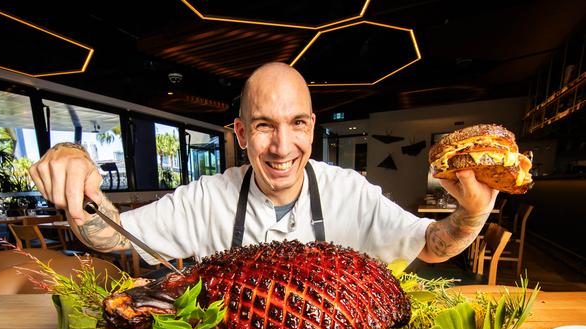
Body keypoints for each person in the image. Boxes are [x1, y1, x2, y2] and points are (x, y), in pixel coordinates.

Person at [29, 62, 496, 267]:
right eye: (263, 126)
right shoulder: (206, 199)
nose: (281, 146)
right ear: (240, 134)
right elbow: (111, 236)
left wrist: (473, 213)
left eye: (296, 123)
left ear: (311, 128)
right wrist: (81, 184)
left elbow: (431, 245)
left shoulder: (349, 191)